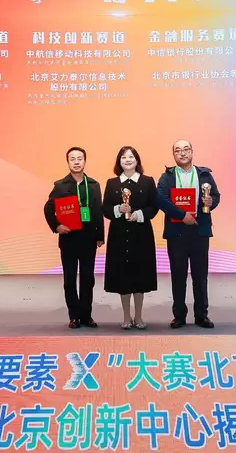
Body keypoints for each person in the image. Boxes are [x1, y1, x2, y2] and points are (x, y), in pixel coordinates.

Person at [157, 140, 220, 329]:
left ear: (192, 152)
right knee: (178, 275)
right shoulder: (167, 176)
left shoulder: (204, 174)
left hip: (199, 230)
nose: (182, 153)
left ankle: (202, 315)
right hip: (177, 232)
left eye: (186, 149)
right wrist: (181, 215)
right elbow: (161, 200)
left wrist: (210, 202)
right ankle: (179, 316)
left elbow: (215, 196)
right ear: (173, 155)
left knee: (200, 275)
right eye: (178, 150)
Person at [44, 147, 104, 329]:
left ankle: (86, 315)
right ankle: (74, 316)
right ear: (68, 162)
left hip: (89, 239)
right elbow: (48, 208)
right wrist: (57, 226)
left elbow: (98, 211)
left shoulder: (93, 185)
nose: (76, 162)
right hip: (69, 238)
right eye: (73, 159)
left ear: (85, 161)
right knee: (69, 280)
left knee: (88, 279)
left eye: (79, 158)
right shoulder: (60, 186)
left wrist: (100, 235)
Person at [102, 146, 159, 329]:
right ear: (119, 162)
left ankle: (139, 316)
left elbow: (154, 207)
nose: (127, 160)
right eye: (124, 157)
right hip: (119, 235)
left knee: (140, 274)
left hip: (141, 234)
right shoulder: (112, 183)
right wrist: (118, 209)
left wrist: (139, 214)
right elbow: (105, 209)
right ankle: (126, 316)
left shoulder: (147, 181)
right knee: (123, 276)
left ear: (137, 160)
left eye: (131, 157)